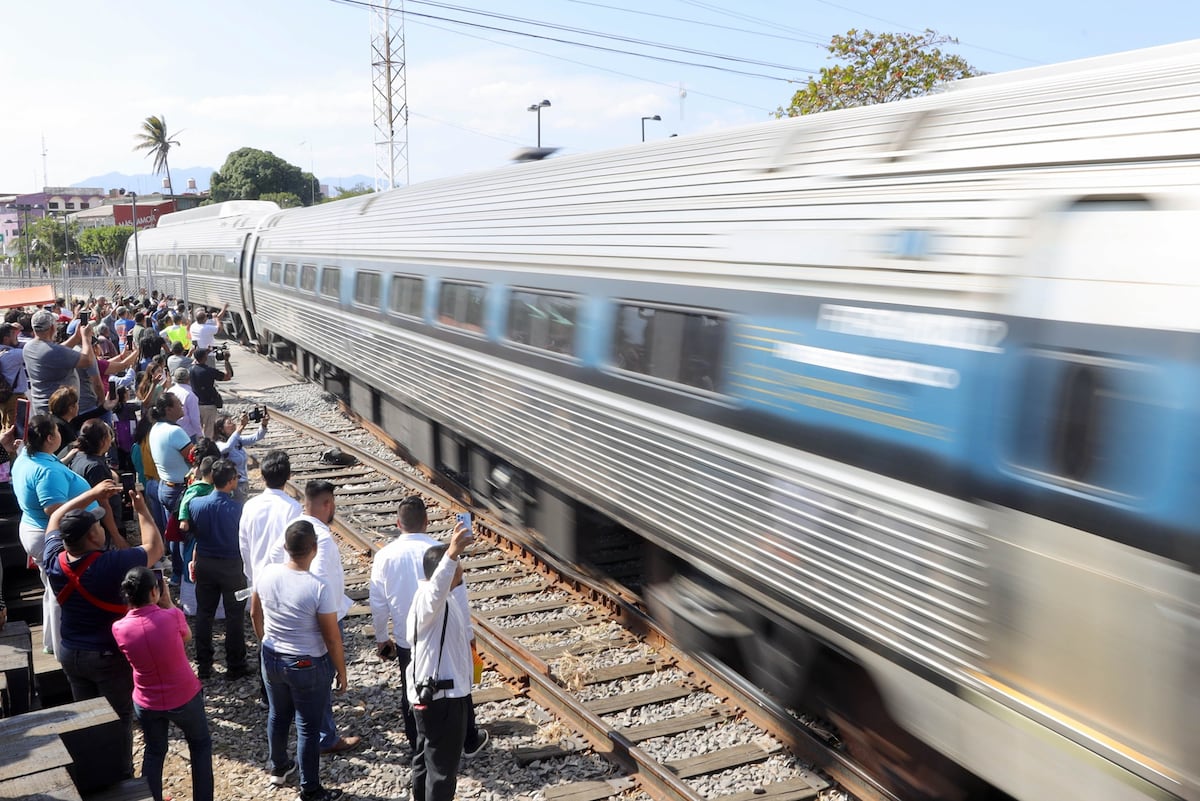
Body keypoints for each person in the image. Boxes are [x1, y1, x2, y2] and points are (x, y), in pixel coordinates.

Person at [44, 481, 165, 780]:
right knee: (119, 717)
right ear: (92, 536)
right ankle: (122, 776)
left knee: (86, 717)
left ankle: (92, 773)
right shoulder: (110, 564)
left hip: (71, 651)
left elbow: (54, 519)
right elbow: (155, 548)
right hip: (106, 655)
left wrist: (91, 495)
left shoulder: (54, 560)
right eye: (97, 525)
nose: (101, 527)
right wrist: (142, 509)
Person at [370, 496, 487, 756]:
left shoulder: (384, 556)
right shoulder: (442, 552)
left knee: (411, 689)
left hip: (407, 638)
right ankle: (468, 740)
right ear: (427, 521)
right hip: (445, 635)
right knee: (458, 684)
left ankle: (418, 744)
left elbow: (377, 602)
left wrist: (382, 637)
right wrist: (468, 635)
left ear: (398, 523)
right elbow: (459, 597)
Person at [250, 519, 347, 801]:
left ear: (285, 547)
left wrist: (265, 641)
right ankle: (311, 789)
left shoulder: (267, 573)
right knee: (307, 726)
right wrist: (341, 671)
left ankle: (279, 767)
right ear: (314, 549)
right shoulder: (318, 587)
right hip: (307, 663)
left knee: (278, 715)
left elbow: (255, 612)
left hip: (272, 656)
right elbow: (332, 638)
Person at [112, 566, 213, 801]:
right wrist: (167, 603)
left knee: (154, 751)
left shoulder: (119, 629)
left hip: (147, 700)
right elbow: (186, 636)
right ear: (154, 591)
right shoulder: (172, 616)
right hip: (184, 694)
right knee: (200, 745)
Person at [11, 414, 103, 655]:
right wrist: (92, 495)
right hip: (48, 534)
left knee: (52, 588)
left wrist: (67, 458)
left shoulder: (26, 455)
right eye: (57, 431)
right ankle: (63, 646)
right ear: (50, 438)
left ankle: (53, 641)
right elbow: (53, 509)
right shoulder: (46, 471)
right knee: (62, 591)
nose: (61, 435)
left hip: (34, 528)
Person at [287, 481, 358, 755]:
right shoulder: (322, 540)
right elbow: (316, 584)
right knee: (322, 680)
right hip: (321, 619)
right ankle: (325, 737)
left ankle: (313, 733)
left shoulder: (293, 528)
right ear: (327, 504)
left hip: (295, 615)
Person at [407, 519, 475, 801]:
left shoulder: (441, 599)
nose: (461, 571)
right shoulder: (430, 599)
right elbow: (438, 587)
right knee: (442, 770)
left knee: (426, 760)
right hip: (442, 698)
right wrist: (452, 553)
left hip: (437, 694)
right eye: (457, 567)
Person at [187, 459, 251, 681]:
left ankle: (204, 664)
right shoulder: (238, 508)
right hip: (233, 568)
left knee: (204, 614)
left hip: (205, 564)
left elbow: (193, 533)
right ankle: (236, 665)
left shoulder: (195, 504)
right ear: (231, 481)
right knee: (235, 615)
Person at [148, 393, 194, 583]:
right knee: (185, 535)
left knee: (173, 534)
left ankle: (177, 575)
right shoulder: (175, 432)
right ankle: (186, 578)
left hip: (165, 487)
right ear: (168, 409)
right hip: (180, 490)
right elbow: (194, 456)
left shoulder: (156, 428)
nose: (182, 406)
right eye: (178, 404)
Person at [238, 449, 299, 587]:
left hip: (257, 577)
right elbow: (292, 547)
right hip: (283, 580)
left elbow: (244, 545)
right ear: (289, 476)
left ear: (262, 477)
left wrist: (251, 574)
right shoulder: (293, 507)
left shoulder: (250, 505)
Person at [23, 308, 95, 416]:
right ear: (52, 327)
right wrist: (86, 338)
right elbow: (87, 360)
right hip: (60, 411)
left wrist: (76, 337)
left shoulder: (29, 347)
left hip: (42, 407)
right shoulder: (54, 352)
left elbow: (58, 352)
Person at [69, 419, 127, 548]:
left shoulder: (79, 456)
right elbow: (104, 504)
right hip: (100, 528)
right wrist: (116, 535)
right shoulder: (95, 467)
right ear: (102, 441)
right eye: (109, 436)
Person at [214, 410, 267, 502]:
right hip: (230, 484)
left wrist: (264, 424)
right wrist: (241, 426)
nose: (233, 424)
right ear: (221, 429)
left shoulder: (238, 440)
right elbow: (227, 447)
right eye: (229, 423)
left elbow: (256, 437)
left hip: (243, 483)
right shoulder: (218, 444)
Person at [190, 349, 232, 445]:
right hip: (209, 404)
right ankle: (207, 448)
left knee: (197, 430)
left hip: (196, 404)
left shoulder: (191, 370)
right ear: (205, 357)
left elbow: (196, 360)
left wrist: (205, 352)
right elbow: (228, 376)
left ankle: (197, 447)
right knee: (209, 431)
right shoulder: (209, 371)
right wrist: (226, 360)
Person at [0, 322, 28, 430]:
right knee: (15, 431)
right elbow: (33, 349)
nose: (16, 336)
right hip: (15, 397)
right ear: (6, 339)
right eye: (13, 334)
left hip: (3, 396)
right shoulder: (13, 354)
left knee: (5, 426)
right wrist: (16, 342)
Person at [167, 367, 202, 441]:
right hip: (187, 433)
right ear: (188, 379)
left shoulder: (170, 391)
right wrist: (200, 434)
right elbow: (194, 418)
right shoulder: (190, 395)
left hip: (171, 431)